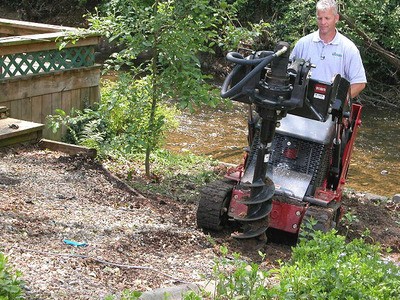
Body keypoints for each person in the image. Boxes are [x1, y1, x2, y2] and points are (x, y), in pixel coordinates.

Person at [290, 0, 367, 98]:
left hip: (330, 109)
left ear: (336, 18)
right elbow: (289, 73)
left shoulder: (348, 48)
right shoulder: (303, 43)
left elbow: (359, 83)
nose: (323, 22)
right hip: (300, 105)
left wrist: (337, 102)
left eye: (327, 18)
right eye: (320, 18)